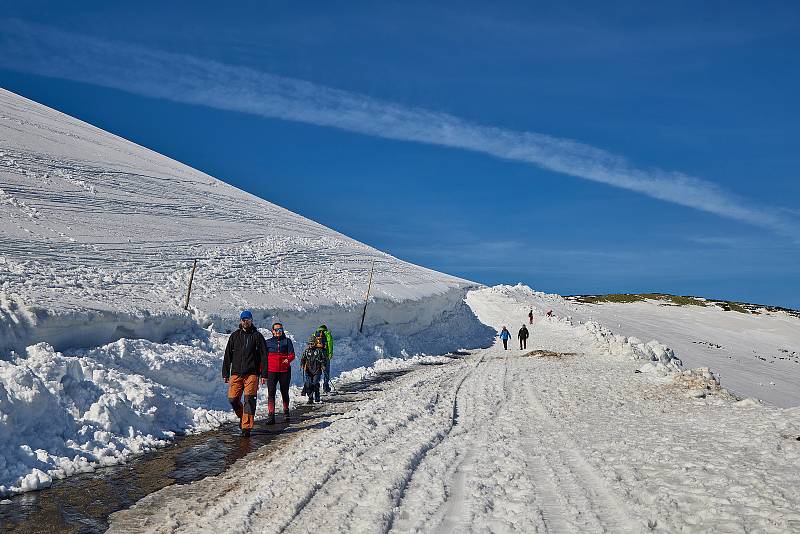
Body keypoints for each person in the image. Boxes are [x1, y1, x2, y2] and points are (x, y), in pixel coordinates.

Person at [222, 310, 267, 437]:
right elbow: (227, 355)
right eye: (243, 319)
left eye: (248, 319)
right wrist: (225, 372)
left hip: (252, 374)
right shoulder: (235, 336)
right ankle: (243, 417)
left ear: (251, 320)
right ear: (240, 321)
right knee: (233, 399)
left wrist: (264, 374)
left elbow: (264, 356)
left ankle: (246, 428)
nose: (245, 321)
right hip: (236, 373)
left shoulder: (257, 336)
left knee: (249, 400)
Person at [264, 322, 295, 424]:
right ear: (272, 331)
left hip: (284, 371)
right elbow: (263, 359)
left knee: (284, 392)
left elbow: (292, 355)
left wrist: (288, 359)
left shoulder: (287, 341)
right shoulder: (267, 342)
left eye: (280, 330)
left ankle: (286, 413)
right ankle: (271, 416)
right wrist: (262, 373)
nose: (278, 332)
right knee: (271, 393)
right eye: (276, 330)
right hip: (271, 372)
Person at [301, 333, 326, 404]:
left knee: (315, 383)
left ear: (315, 343)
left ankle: (317, 395)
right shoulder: (306, 351)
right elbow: (303, 359)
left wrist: (323, 365)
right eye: (309, 344)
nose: (310, 345)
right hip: (308, 370)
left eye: (312, 343)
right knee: (308, 384)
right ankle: (310, 398)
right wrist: (302, 364)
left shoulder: (319, 351)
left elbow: (323, 359)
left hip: (317, 370)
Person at [315, 325, 334, 392]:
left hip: (317, 355)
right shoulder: (327, 333)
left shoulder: (315, 333)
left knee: (318, 371)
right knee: (326, 371)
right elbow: (330, 344)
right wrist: (330, 353)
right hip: (325, 355)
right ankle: (326, 387)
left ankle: (316, 385)